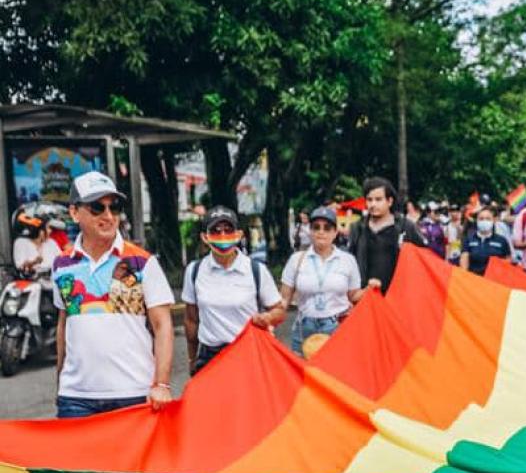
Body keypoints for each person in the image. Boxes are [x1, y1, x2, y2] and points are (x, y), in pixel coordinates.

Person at [52, 171, 175, 418]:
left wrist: (161, 384)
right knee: (74, 459)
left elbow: (162, 326)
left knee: (134, 460)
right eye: (97, 208)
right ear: (75, 213)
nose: (108, 216)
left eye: (114, 207)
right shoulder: (61, 264)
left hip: (133, 393)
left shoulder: (142, 262)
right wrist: (61, 380)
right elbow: (65, 322)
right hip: (76, 398)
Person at [182, 206, 285, 374]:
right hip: (210, 358)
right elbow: (191, 320)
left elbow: (279, 311)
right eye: (216, 231)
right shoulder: (195, 271)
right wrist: (192, 359)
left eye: (228, 230)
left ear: (239, 235)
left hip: (248, 356)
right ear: (205, 237)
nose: (223, 236)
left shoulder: (255, 270)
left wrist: (267, 317)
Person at [281, 206, 364, 356]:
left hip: (337, 326)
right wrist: (270, 320)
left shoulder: (347, 260)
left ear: (335, 232)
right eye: (316, 227)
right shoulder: (296, 260)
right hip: (304, 328)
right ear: (310, 231)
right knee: (303, 376)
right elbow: (284, 300)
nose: (321, 232)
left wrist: (371, 290)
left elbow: (354, 296)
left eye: (327, 228)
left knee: (335, 375)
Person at [351, 177, 423, 295]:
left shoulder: (405, 227)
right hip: (366, 298)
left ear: (389, 201)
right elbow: (350, 263)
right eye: (369, 200)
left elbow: (424, 258)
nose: (373, 204)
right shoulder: (357, 228)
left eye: (378, 199)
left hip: (399, 297)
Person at [460, 206, 512, 275]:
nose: (484, 221)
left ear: (493, 220)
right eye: (481, 219)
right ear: (477, 221)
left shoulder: (502, 241)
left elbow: (508, 263)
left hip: (494, 282)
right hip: (474, 281)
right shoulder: (469, 239)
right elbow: (464, 264)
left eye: (488, 219)